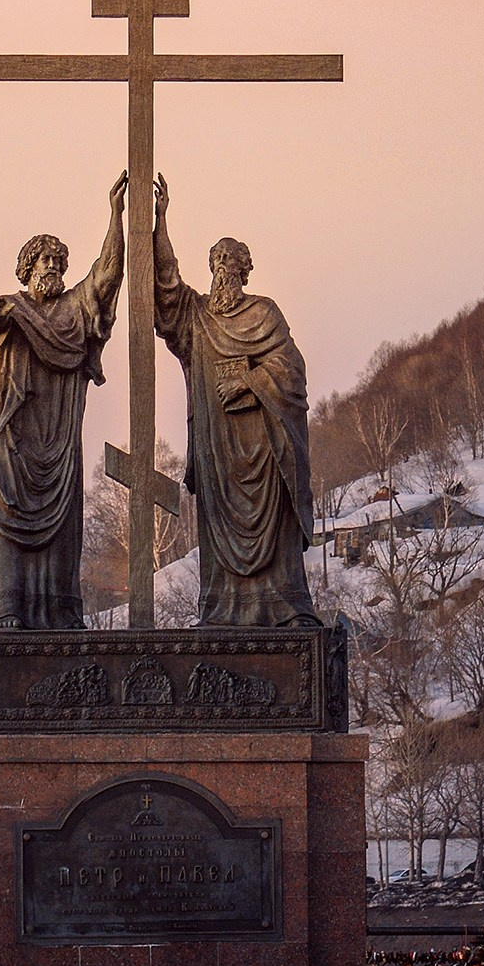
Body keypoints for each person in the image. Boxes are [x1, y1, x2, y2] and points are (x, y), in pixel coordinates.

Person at [0, 171, 126, 629]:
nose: (51, 267)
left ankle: (57, 611)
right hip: (13, 443)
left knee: (63, 531)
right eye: (43, 260)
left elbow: (107, 277)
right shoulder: (6, 307)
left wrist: (116, 216)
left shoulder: (73, 311)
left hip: (59, 438)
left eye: (57, 261)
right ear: (27, 269)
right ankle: (8, 607)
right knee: (8, 517)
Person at [152, 172, 317, 626]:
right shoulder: (197, 317)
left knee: (275, 528)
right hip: (218, 451)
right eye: (217, 261)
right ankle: (222, 611)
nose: (223, 269)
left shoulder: (263, 312)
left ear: (244, 270)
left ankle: (284, 608)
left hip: (263, 450)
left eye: (231, 261)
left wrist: (250, 380)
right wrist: (160, 221)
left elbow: (292, 371)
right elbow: (165, 289)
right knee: (219, 539)